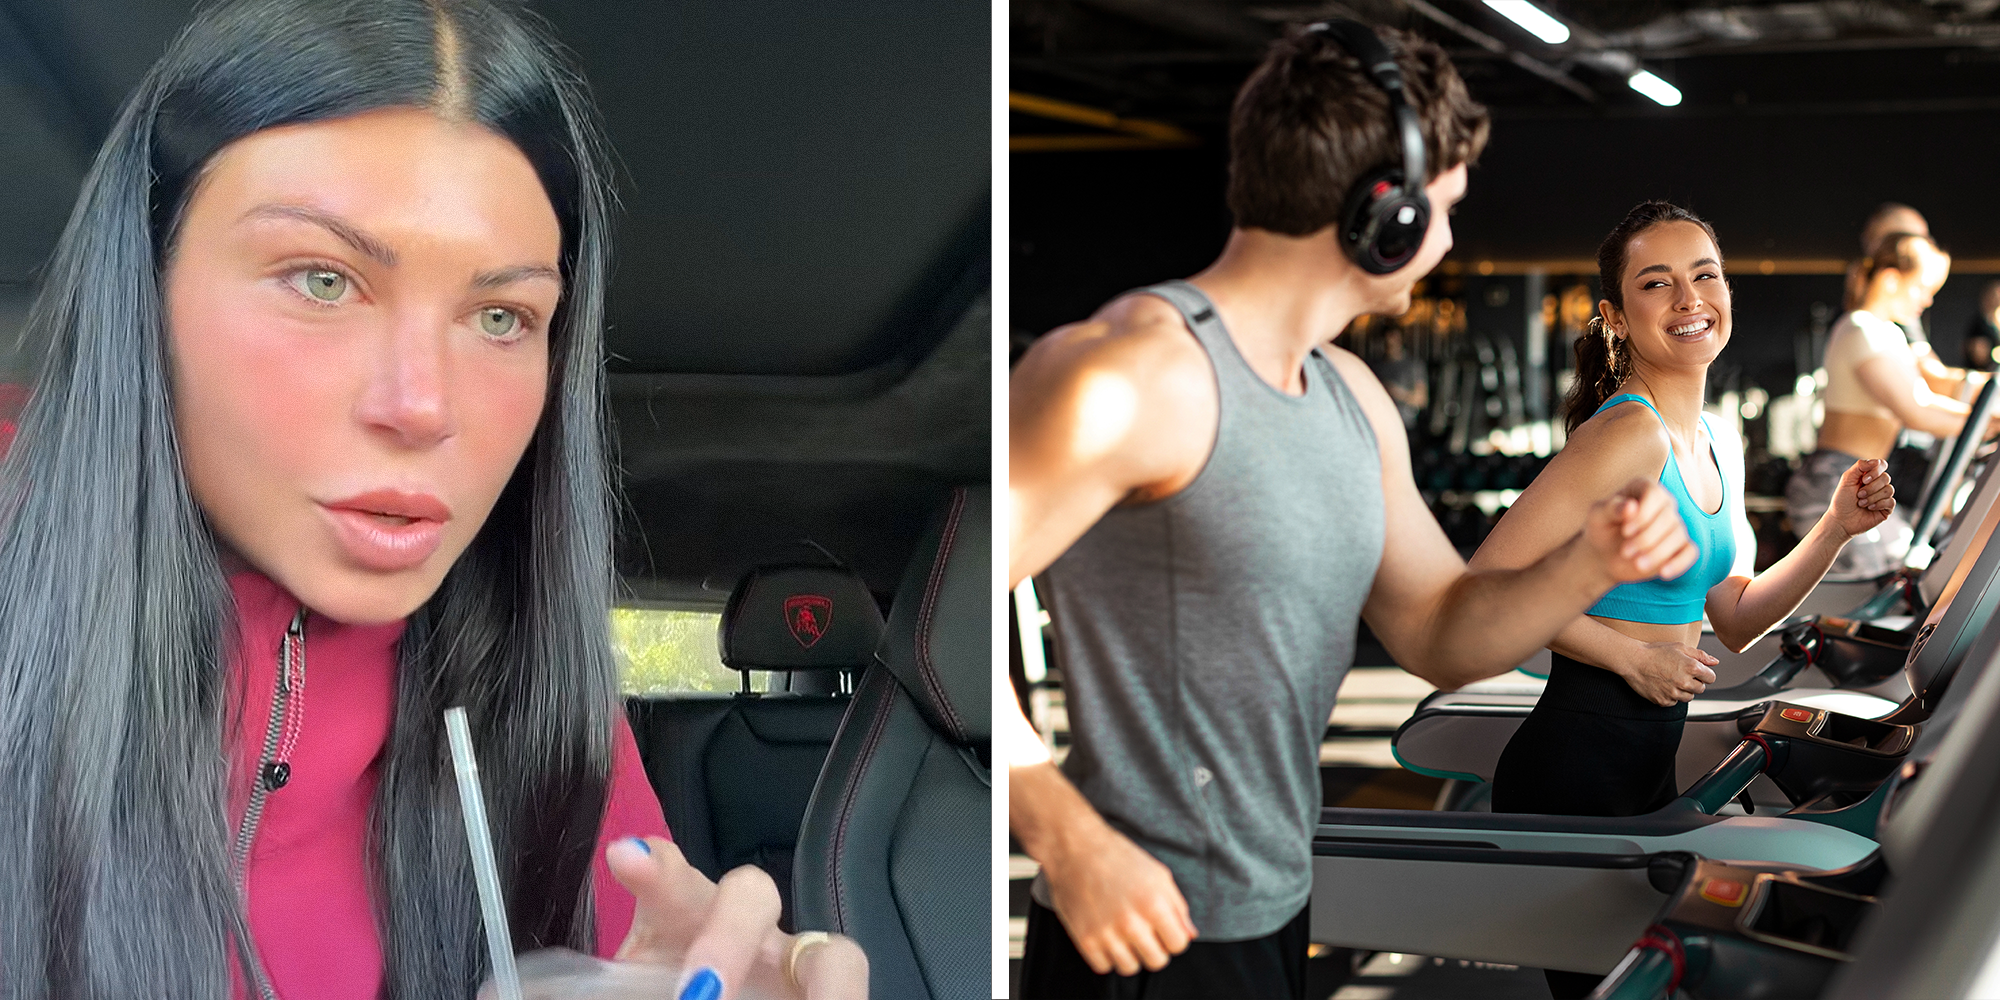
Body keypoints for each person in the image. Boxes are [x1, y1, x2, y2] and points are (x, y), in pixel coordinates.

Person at [0, 3, 866, 1000]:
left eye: (501, 315)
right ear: (144, 287)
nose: (423, 405)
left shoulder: (540, 705)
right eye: (322, 279)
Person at [1006, 22, 1701, 1000]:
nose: (1450, 239)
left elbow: (1438, 629)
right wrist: (1062, 833)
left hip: (1276, 905)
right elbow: (938, 613)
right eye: (1445, 209)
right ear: (1387, 213)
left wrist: (1587, 564)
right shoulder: (1131, 374)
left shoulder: (1349, 397)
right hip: (1135, 926)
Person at [1470, 201, 1895, 999]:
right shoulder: (1626, 434)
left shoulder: (1712, 437)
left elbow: (1733, 614)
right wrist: (1629, 656)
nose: (1688, 298)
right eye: (1656, 283)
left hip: (1641, 761)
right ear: (1616, 318)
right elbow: (1486, 583)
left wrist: (1835, 529)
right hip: (1574, 761)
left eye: (1704, 275)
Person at [1796, 232, 1984, 578]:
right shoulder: (1860, 329)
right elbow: (1917, 410)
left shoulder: (1888, 333)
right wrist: (1987, 420)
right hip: (1835, 482)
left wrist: (1988, 407)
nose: (1927, 301)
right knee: (1897, 579)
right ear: (1890, 278)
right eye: (1922, 289)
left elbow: (1934, 388)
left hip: (1862, 480)